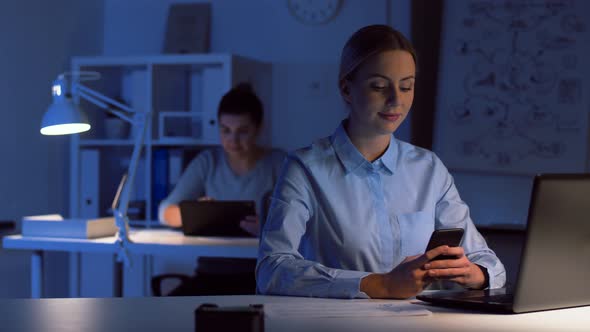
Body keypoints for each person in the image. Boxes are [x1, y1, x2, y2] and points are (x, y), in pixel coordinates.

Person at [256, 25, 506, 299]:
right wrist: (381, 285)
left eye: (406, 86)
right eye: (379, 86)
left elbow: (489, 264)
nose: (396, 100)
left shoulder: (429, 169)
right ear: (346, 89)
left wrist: (474, 274)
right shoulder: (305, 168)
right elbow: (272, 269)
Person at [158, 82, 285, 296]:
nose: (232, 140)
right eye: (225, 130)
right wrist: (196, 214)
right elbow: (164, 212)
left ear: (258, 128)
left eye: (242, 131)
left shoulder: (279, 163)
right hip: (211, 274)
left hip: (259, 278)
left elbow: (307, 221)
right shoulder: (208, 162)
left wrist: (266, 227)